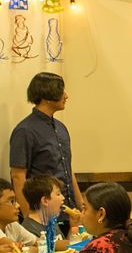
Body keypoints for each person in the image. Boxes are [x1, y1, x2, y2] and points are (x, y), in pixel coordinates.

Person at [10, 72, 85, 225]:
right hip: (43, 215)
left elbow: (68, 170)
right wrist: (29, 218)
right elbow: (18, 176)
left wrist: (81, 205)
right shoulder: (25, 130)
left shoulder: (61, 127)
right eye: (61, 90)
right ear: (47, 95)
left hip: (68, 213)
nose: (66, 95)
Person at [21, 174, 82, 251]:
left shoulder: (51, 221)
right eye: (58, 194)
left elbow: (66, 251)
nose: (63, 198)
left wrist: (74, 226)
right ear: (45, 200)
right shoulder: (28, 229)